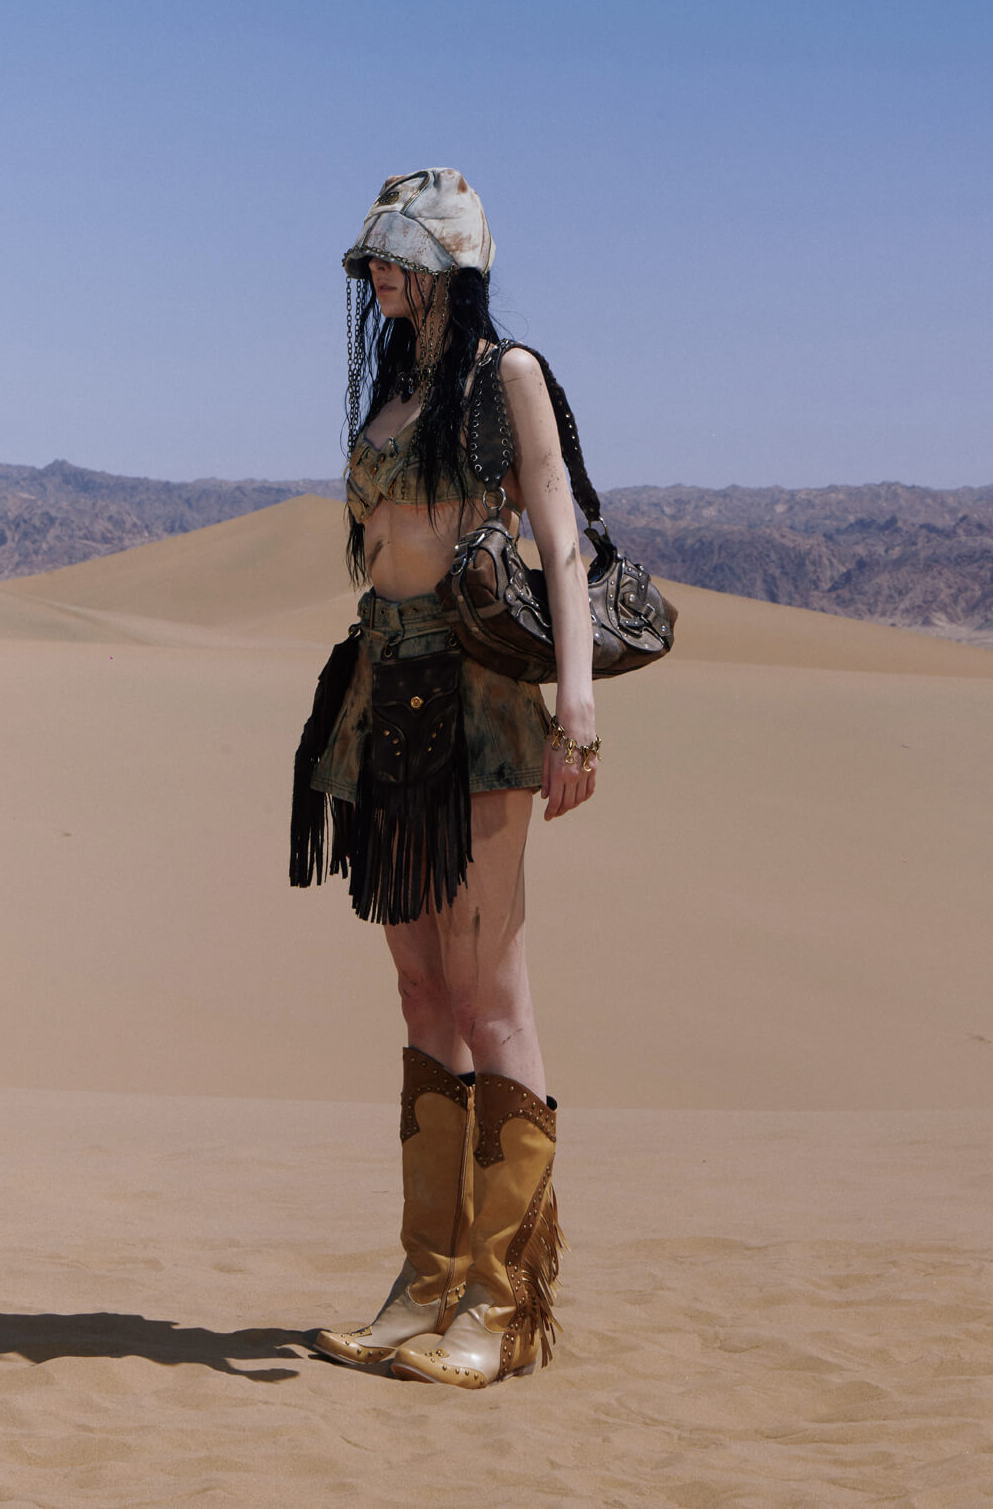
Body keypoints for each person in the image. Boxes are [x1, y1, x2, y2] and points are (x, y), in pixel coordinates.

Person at [290, 168, 597, 1388]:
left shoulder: (504, 376)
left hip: (479, 701)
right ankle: (426, 1281)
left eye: (398, 256)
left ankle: (501, 1304)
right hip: (385, 690)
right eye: (373, 257)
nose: (378, 274)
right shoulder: (397, 389)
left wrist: (577, 710)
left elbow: (560, 536)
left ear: (449, 265)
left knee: (490, 996)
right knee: (421, 991)